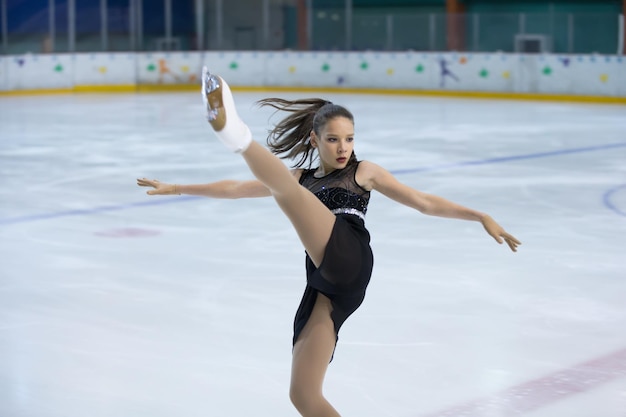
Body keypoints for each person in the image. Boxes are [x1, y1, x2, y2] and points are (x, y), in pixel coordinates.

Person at [137, 67, 521, 417]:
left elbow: (423, 202)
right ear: (314, 139)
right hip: (326, 284)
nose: (343, 148)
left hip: (349, 256)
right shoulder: (302, 177)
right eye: (334, 139)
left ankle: (234, 133)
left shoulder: (362, 171)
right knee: (303, 395)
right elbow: (236, 188)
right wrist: (179, 187)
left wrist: (480, 215)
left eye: (350, 139)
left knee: (286, 190)